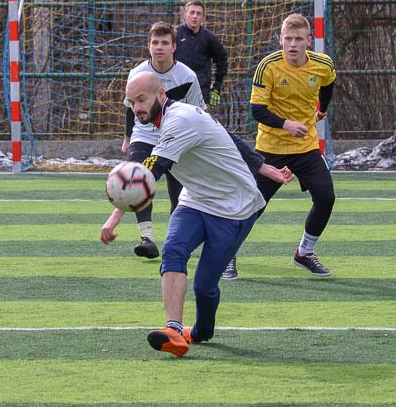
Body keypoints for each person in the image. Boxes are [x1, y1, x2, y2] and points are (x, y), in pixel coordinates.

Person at [101, 72, 292, 357]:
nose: (137, 107)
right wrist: (262, 166)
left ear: (161, 94)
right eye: (132, 102)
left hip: (234, 208)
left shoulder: (180, 120)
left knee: (204, 286)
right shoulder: (160, 120)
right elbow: (226, 134)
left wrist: (114, 217)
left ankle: (202, 331)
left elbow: (152, 169)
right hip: (195, 200)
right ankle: (174, 331)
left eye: (142, 99)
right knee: (173, 251)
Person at [222, 13, 337, 280]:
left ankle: (305, 252)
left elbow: (328, 84)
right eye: (288, 39)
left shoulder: (323, 65)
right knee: (252, 205)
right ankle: (228, 254)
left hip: (305, 148)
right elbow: (257, 110)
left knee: (326, 196)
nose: (293, 44)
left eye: (298, 39)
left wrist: (323, 110)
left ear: (309, 41)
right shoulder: (268, 66)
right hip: (270, 149)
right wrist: (286, 124)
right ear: (281, 40)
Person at [122, 21, 205, 259]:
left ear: (173, 47)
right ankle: (147, 238)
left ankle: (174, 239)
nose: (160, 47)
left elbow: (198, 111)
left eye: (165, 43)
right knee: (138, 182)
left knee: (179, 194)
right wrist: (128, 137)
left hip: (177, 139)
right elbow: (130, 108)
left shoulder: (187, 76)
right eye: (155, 43)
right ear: (149, 46)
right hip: (144, 136)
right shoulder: (137, 74)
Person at [174, 1, 228, 106]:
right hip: (176, 92)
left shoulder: (209, 38)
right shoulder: (174, 35)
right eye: (192, 12)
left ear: (203, 18)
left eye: (199, 14)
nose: (195, 16)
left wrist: (216, 87)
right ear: (185, 15)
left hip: (201, 94)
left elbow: (222, 59)